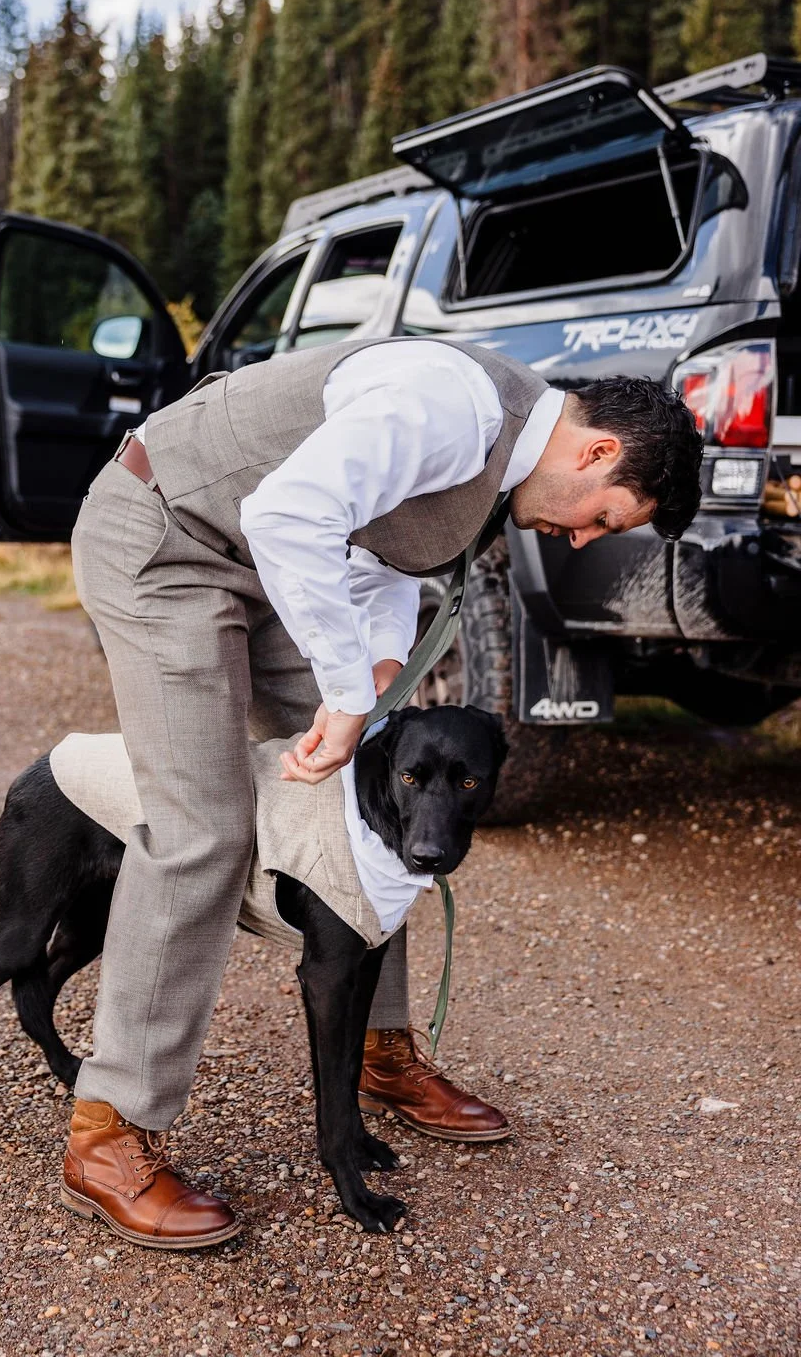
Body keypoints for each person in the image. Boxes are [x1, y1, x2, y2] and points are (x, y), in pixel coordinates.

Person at [62, 336, 703, 1248]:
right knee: (203, 824)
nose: (581, 536)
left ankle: (379, 1047)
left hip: (271, 554)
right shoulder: (453, 406)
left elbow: (380, 552)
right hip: (170, 537)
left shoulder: (512, 453)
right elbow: (289, 512)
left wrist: (378, 671)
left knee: (374, 790)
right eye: (604, 516)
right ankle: (109, 1128)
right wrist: (344, 691)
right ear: (597, 451)